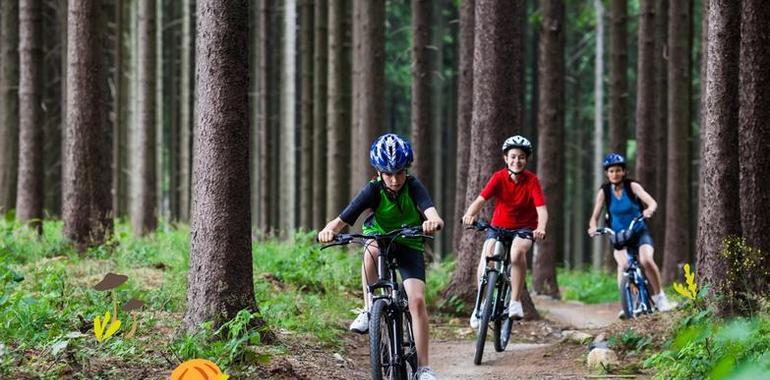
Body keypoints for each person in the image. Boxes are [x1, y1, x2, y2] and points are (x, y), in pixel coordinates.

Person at [318, 133, 443, 380]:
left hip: (409, 242)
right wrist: (329, 230)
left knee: (416, 301)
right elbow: (344, 217)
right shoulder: (373, 190)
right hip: (380, 239)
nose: (395, 179)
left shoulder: (413, 186)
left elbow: (431, 211)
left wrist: (433, 221)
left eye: (399, 172)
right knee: (371, 249)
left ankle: (424, 368)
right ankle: (368, 309)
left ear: (406, 170)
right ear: (378, 172)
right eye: (388, 174)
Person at [461, 135, 548, 328]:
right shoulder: (498, 177)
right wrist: (469, 214)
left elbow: (541, 209)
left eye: (522, 157)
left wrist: (540, 228)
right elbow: (481, 200)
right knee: (487, 256)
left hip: (525, 228)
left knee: (517, 253)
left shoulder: (532, 181)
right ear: (506, 158)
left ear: (527, 160)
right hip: (499, 226)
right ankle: (481, 306)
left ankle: (515, 302)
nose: (517, 161)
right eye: (513, 156)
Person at [586, 152, 676, 316]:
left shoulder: (632, 186)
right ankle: (627, 303)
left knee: (646, 260)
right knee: (624, 266)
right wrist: (592, 228)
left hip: (639, 232)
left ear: (624, 171)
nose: (615, 174)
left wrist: (649, 209)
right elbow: (594, 217)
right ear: (607, 173)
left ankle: (659, 297)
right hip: (619, 237)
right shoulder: (604, 191)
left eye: (618, 170)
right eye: (611, 171)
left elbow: (651, 202)